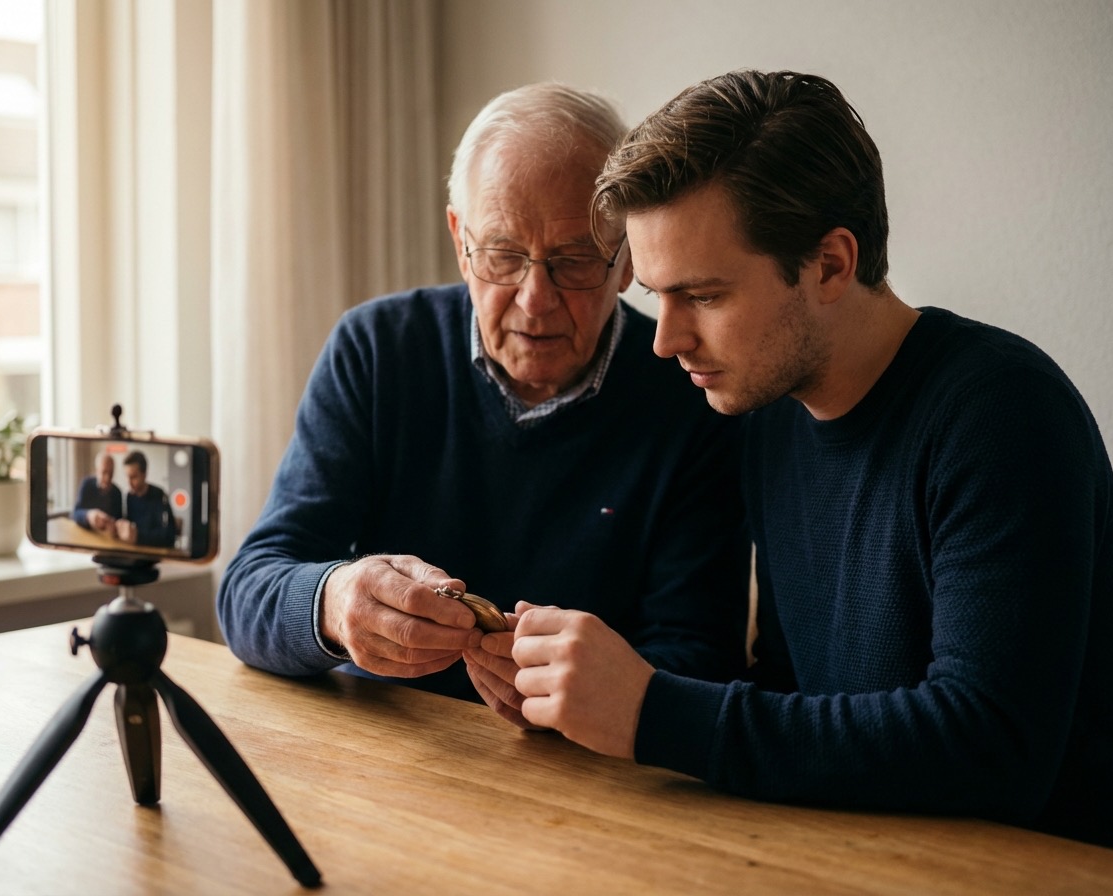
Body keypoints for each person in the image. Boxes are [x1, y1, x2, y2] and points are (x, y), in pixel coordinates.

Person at [498, 70, 1113, 853]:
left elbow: (991, 749)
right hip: (855, 858)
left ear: (833, 265)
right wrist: (577, 700)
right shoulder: (769, 418)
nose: (666, 341)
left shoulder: (1003, 413)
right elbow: (790, 688)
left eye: (701, 296)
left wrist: (651, 712)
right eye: (656, 298)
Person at [216, 83, 747, 714]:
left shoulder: (693, 391)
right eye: (502, 255)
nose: (535, 299)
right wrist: (333, 602)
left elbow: (700, 662)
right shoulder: (378, 349)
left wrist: (586, 695)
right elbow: (248, 591)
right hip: (388, 752)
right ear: (459, 240)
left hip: (589, 774)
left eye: (574, 260)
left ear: (627, 257)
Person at [115, 450, 177, 548]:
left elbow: (169, 536)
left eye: (134, 477)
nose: (129, 483)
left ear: (144, 475)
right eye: (127, 477)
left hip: (155, 553)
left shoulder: (160, 495)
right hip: (136, 550)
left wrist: (138, 536)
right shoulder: (129, 496)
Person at [72, 450, 122, 536]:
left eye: (111, 473)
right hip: (85, 534)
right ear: (97, 471)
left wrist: (114, 525)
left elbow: (119, 520)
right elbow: (74, 514)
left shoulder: (117, 492)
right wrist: (88, 515)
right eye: (104, 472)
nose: (107, 478)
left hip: (106, 539)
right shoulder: (86, 484)